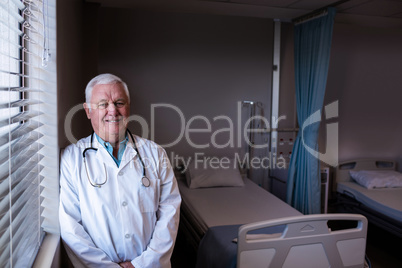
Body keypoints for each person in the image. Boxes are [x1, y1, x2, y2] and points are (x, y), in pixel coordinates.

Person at [59, 73, 181, 268]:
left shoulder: (155, 154)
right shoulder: (72, 159)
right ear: (88, 110)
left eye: (119, 102)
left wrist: (140, 265)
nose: (112, 111)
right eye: (102, 104)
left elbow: (169, 214)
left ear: (129, 108)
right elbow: (70, 227)